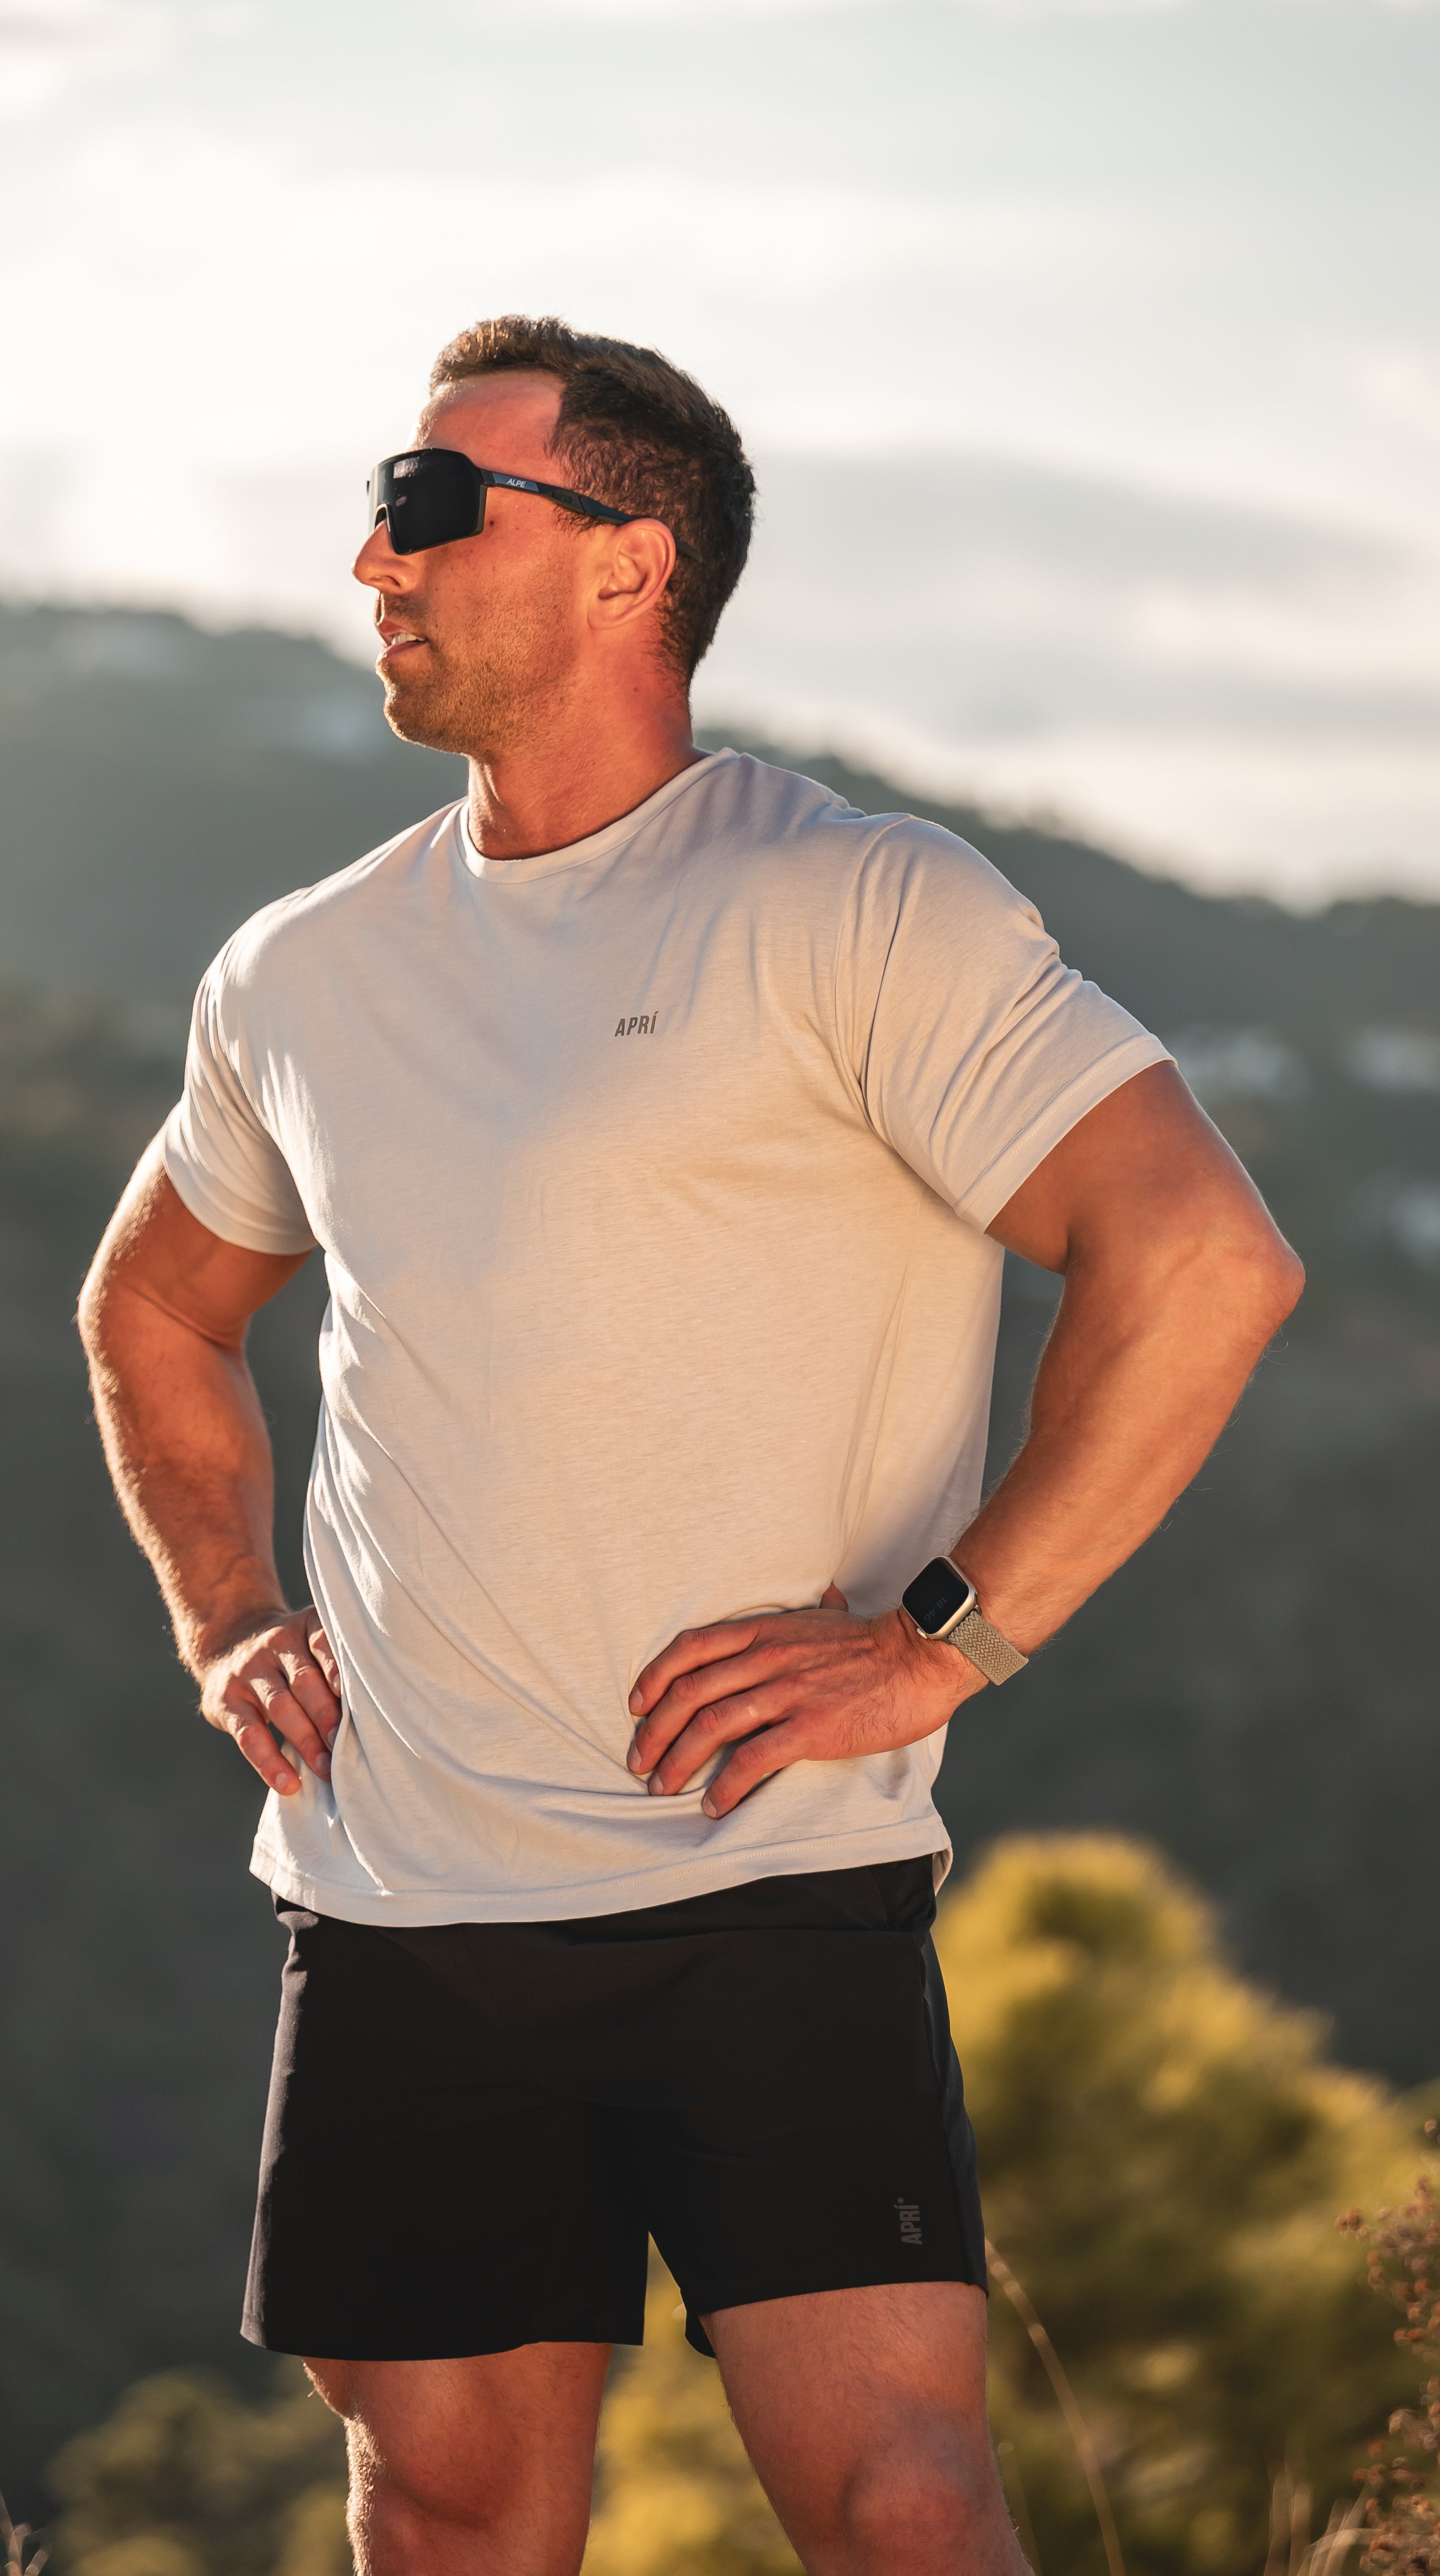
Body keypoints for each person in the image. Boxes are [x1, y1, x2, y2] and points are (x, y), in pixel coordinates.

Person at [79, 315, 1304, 2576]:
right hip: (400, 1898)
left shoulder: (856, 907)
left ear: (631, 565)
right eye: (381, 507)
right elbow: (152, 1304)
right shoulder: (297, 971)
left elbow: (1197, 1262)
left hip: (768, 1889)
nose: (375, 557)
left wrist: (940, 1640)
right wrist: (225, 1611)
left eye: (435, 507)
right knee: (441, 2511)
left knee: (890, 2499)